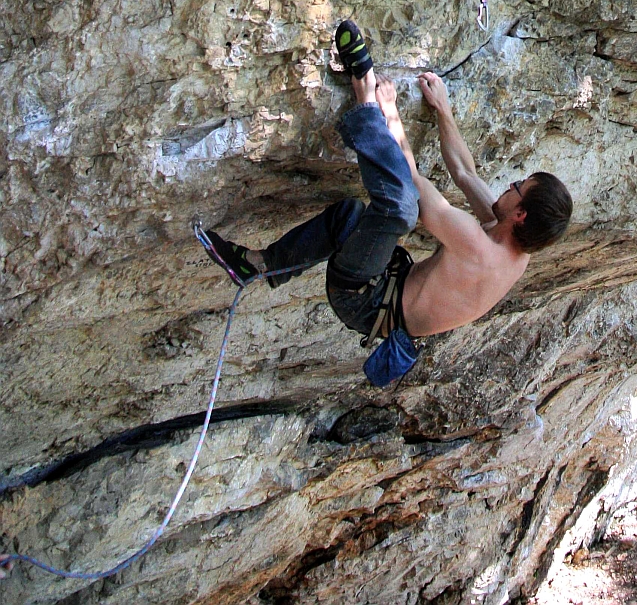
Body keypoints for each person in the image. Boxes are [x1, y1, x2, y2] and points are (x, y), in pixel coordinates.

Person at [197, 19, 573, 383]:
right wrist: (443, 109)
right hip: (383, 282)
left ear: (520, 214)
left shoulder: (478, 247)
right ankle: (259, 266)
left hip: (365, 300)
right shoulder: (514, 247)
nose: (510, 185)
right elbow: (465, 172)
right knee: (349, 217)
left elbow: (411, 181)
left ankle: (362, 88)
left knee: (399, 210)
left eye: (518, 186)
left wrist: (389, 112)